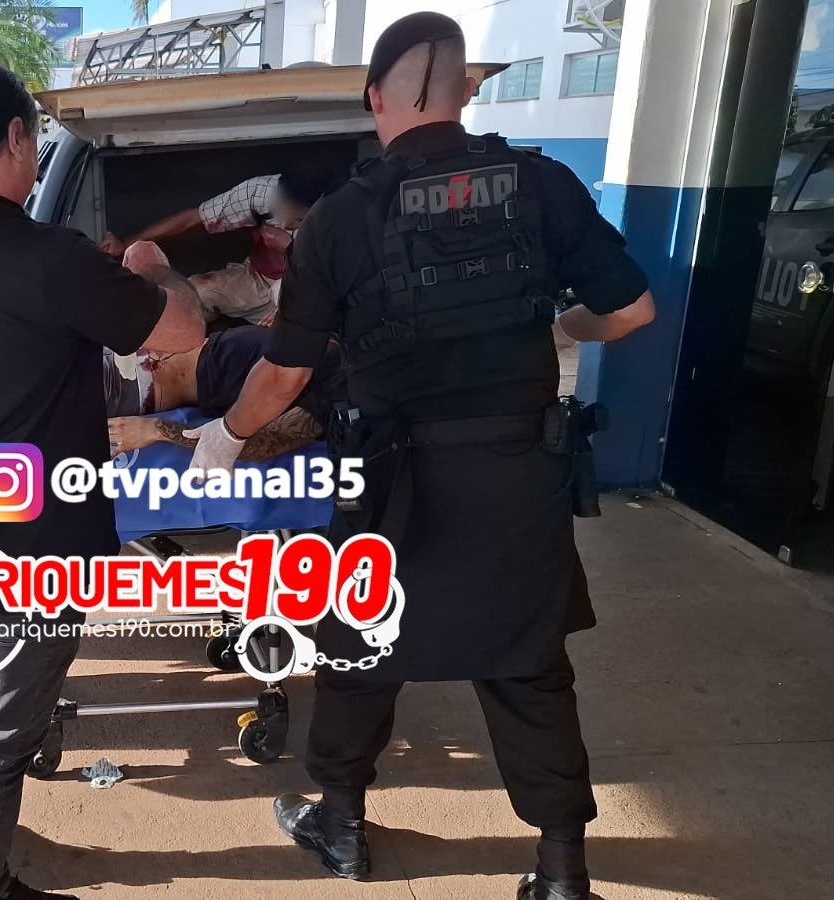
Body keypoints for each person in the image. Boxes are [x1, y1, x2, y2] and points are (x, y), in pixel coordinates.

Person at [183, 13, 656, 900]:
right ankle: (561, 867)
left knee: (362, 650)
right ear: (466, 90)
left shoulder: (342, 217)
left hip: (390, 477)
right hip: (517, 470)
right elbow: (631, 312)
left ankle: (341, 826)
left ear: (376, 99)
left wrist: (226, 437)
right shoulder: (542, 185)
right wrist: (561, 327)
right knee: (526, 660)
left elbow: (285, 372)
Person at [0, 60, 206, 900]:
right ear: (16, 139)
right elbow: (182, 328)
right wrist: (150, 265)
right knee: (6, 725)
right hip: (37, 540)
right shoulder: (48, 258)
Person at [99, 162, 342, 325]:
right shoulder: (260, 192)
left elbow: (335, 281)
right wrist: (126, 243)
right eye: (284, 208)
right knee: (194, 292)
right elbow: (193, 218)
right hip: (255, 280)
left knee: (296, 332)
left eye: (298, 219)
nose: (287, 221)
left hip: (307, 293)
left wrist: (289, 249)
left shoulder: (338, 217)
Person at [101, 321, 344, 463]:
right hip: (163, 355)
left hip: (145, 382)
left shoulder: (335, 390)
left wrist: (157, 429)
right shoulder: (332, 353)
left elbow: (265, 444)